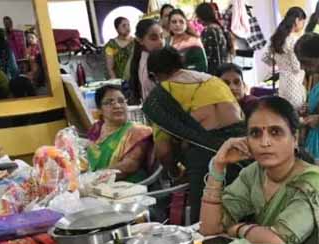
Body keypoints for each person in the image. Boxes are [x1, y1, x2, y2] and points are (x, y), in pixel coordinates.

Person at [200, 96, 319, 244]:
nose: (265, 142)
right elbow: (209, 229)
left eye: (275, 132)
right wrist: (218, 167)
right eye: (256, 133)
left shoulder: (312, 184)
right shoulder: (254, 173)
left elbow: (277, 243)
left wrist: (237, 229)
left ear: (294, 138)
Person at [142, 46, 244, 222]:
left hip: (205, 162)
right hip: (242, 152)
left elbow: (163, 151)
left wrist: (175, 173)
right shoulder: (214, 81)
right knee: (243, 213)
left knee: (206, 222)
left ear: (154, 75)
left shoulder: (161, 96)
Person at [86, 85, 154, 182]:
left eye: (121, 101)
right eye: (110, 102)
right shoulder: (96, 129)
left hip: (127, 186)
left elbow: (129, 166)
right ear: (100, 109)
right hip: (95, 183)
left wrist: (94, 178)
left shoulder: (138, 132)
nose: (117, 106)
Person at [263, 6, 307, 112]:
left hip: (282, 84)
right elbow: (296, 67)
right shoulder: (294, 40)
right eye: (303, 22)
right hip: (294, 85)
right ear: (297, 20)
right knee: (296, 114)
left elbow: (265, 58)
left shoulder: (276, 38)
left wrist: (279, 62)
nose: (303, 25)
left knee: (285, 114)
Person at [128, 19, 165, 105]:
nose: (160, 42)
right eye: (153, 38)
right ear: (140, 40)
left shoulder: (146, 57)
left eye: (162, 36)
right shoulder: (148, 62)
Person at [196, 3, 232, 75]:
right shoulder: (219, 28)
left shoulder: (209, 30)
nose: (197, 19)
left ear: (202, 16)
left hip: (213, 73)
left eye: (197, 16)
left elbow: (206, 56)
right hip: (222, 71)